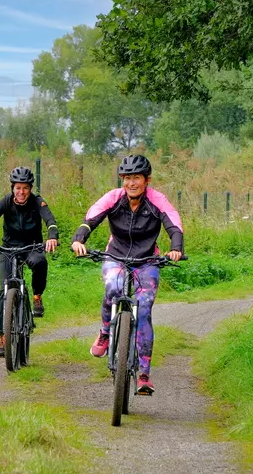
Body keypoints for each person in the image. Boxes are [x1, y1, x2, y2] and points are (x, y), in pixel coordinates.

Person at [71, 154, 183, 394]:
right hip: (116, 256)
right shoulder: (114, 198)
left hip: (147, 260)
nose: (131, 183)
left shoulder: (157, 200)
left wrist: (176, 248)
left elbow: (173, 223)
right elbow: (91, 218)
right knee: (113, 286)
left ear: (147, 180)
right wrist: (79, 240)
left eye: (136, 178)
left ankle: (143, 374)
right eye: (127, 178)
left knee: (143, 309)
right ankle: (104, 333)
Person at [0, 166, 59, 358]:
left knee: (40, 263)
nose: (21, 192)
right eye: (18, 188)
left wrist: (52, 236)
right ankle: (3, 336)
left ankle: (37, 296)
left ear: (30, 189)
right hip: (8, 249)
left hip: (32, 247)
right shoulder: (5, 202)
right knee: (4, 291)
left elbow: (50, 221)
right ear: (13, 188)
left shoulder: (38, 202)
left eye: (25, 188)